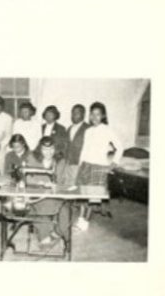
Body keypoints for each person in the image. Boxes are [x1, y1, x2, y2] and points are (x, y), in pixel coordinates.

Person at [74, 102, 121, 232]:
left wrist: (112, 165)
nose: (94, 117)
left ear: (103, 116)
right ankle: (81, 219)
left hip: (99, 167)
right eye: (92, 114)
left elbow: (120, 147)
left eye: (98, 114)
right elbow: (84, 149)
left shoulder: (107, 130)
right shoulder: (88, 131)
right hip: (85, 166)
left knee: (92, 197)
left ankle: (85, 223)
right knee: (83, 194)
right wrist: (80, 165)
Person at [21, 135, 67, 248]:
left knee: (66, 213)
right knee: (44, 208)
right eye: (45, 149)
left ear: (55, 149)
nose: (49, 152)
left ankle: (56, 233)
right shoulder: (32, 158)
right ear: (40, 149)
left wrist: (56, 185)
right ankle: (43, 237)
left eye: (51, 149)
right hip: (35, 194)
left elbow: (62, 180)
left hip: (54, 194)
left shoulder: (60, 161)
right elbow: (26, 177)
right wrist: (41, 182)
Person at [62, 103, 89, 187]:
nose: (74, 115)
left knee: (77, 187)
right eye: (72, 113)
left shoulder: (88, 128)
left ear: (83, 115)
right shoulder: (69, 128)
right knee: (67, 185)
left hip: (79, 164)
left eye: (77, 113)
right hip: (68, 163)